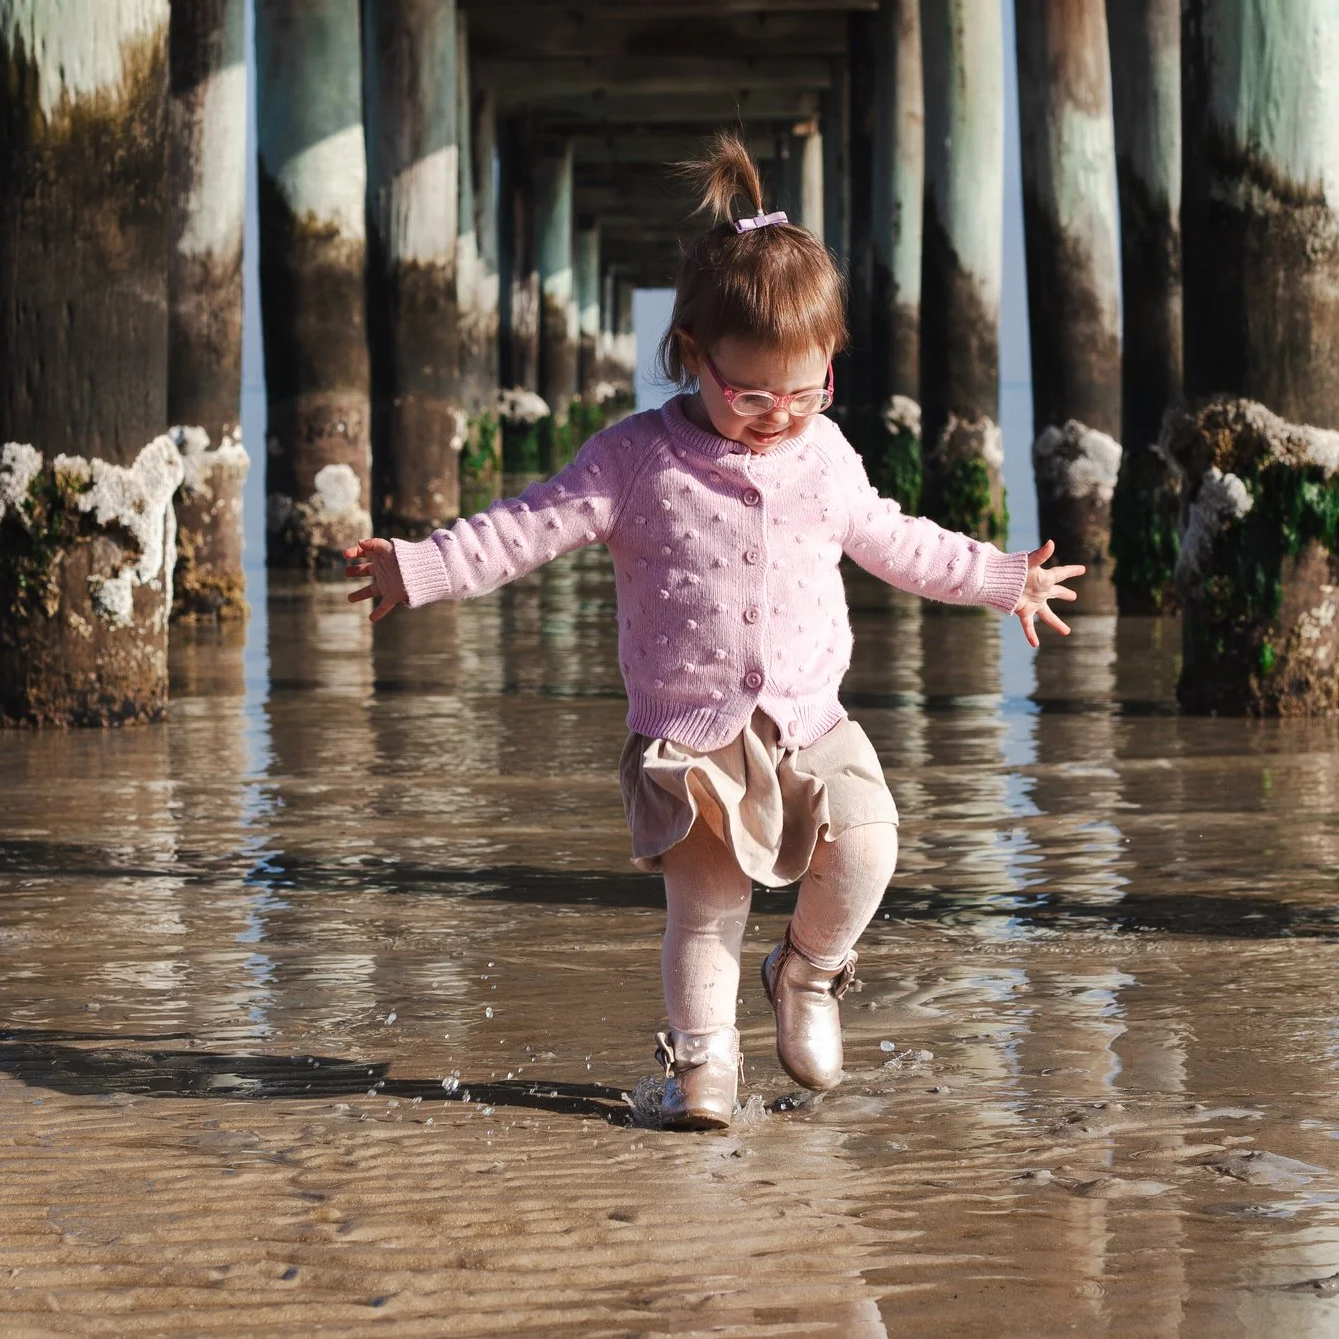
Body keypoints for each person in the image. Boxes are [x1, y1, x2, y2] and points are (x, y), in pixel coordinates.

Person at [344, 132, 1082, 1130]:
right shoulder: (634, 459)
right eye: (751, 394)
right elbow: (526, 526)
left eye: (806, 390)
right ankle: (702, 1069)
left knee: (868, 842)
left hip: (812, 721)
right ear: (692, 355)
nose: (779, 414)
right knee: (706, 908)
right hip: (688, 735)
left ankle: (808, 973)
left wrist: (1002, 578)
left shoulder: (824, 455)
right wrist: (420, 565)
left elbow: (895, 540)